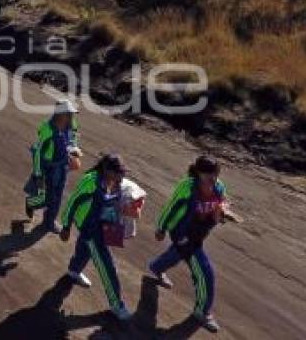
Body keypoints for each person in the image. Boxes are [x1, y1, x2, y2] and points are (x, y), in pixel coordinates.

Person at [148, 156, 239, 333]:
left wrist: (224, 211)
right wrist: (161, 228)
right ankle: (202, 312)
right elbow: (171, 206)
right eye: (207, 174)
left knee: (177, 254)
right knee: (205, 273)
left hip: (200, 233)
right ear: (198, 172)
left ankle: (156, 267)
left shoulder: (219, 186)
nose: (212, 178)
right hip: (183, 233)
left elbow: (222, 201)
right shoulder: (188, 186)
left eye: (215, 174)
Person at [60, 154, 133, 321]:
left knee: (84, 251)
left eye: (122, 173)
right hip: (92, 230)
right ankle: (116, 305)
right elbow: (73, 202)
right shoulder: (91, 181)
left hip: (103, 227)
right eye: (118, 173)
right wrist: (66, 226)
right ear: (107, 170)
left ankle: (73, 271)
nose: (121, 176)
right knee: (108, 268)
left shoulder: (117, 184)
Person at [25, 99, 82, 233]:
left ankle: (49, 222)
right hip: (49, 166)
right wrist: (38, 174)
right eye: (68, 113)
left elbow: (73, 139)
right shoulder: (48, 129)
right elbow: (38, 152)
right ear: (60, 114)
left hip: (63, 165)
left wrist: (74, 151)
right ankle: (31, 202)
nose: (71, 116)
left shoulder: (72, 124)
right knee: (48, 197)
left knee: (59, 194)